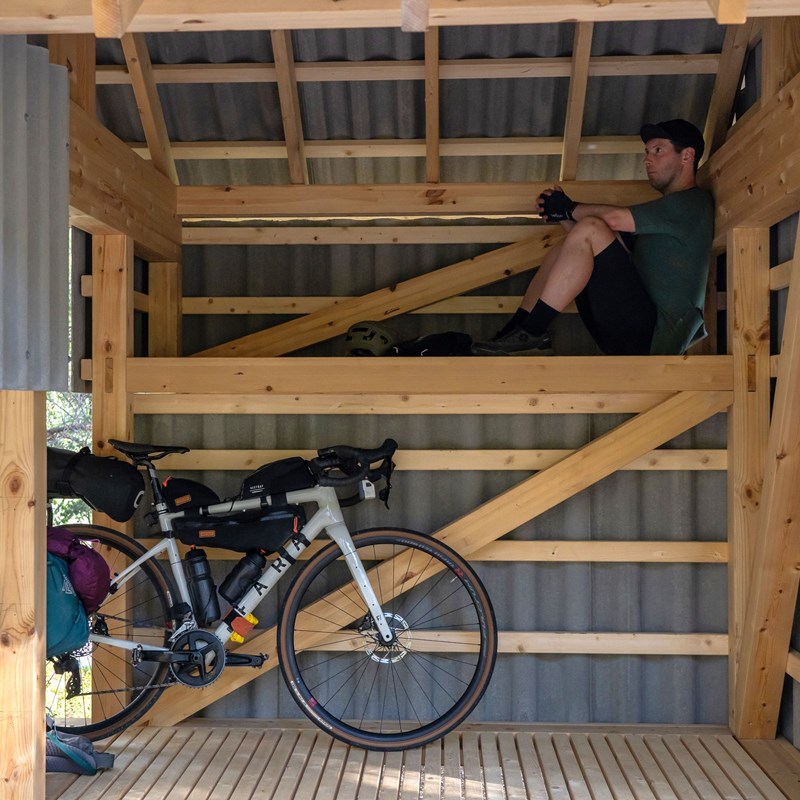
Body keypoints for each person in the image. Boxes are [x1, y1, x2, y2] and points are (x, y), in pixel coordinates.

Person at [472, 119, 714, 356]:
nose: (647, 159)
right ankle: (515, 332)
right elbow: (606, 246)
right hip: (628, 330)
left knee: (590, 228)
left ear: (687, 156)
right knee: (567, 243)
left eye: (658, 150)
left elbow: (614, 220)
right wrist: (563, 216)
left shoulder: (692, 204)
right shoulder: (666, 213)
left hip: (654, 338)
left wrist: (568, 207)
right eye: (647, 152)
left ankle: (532, 331)